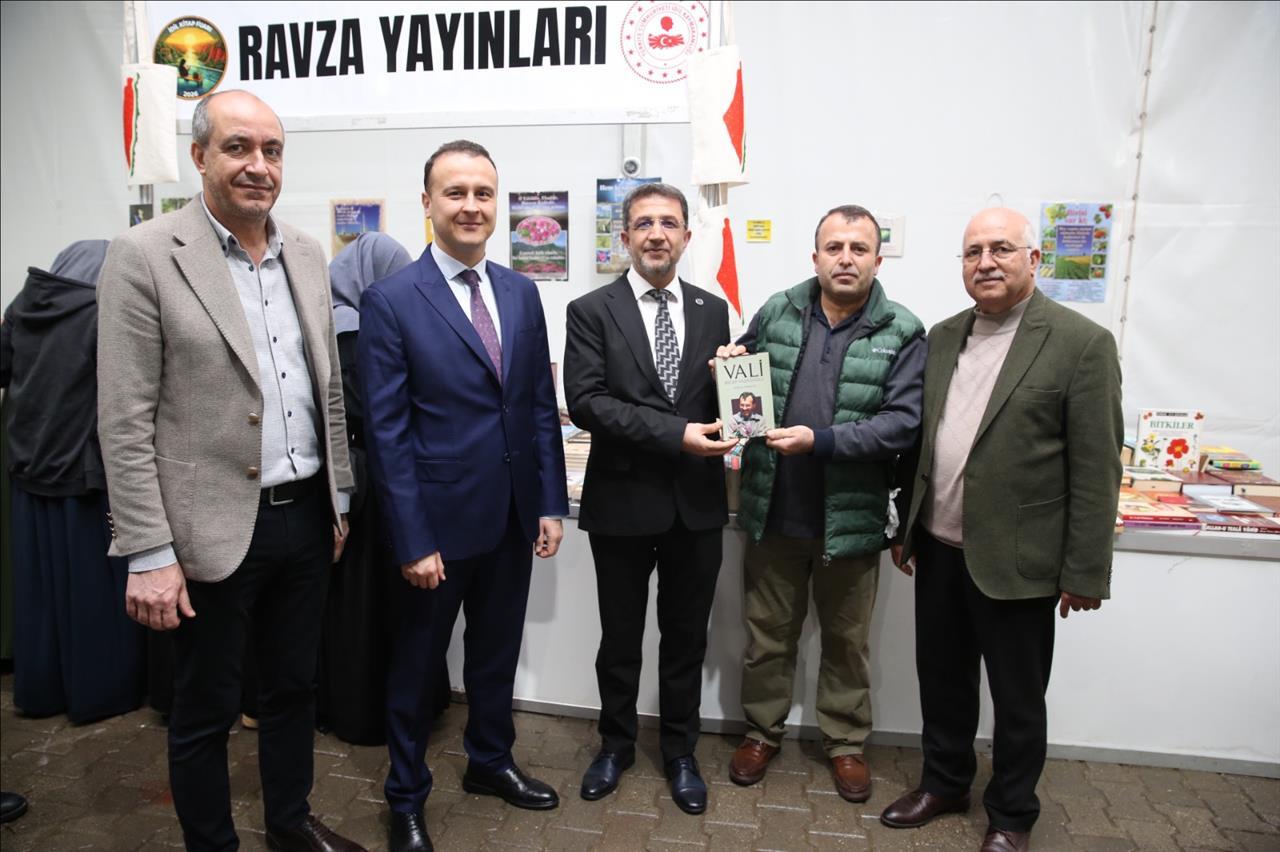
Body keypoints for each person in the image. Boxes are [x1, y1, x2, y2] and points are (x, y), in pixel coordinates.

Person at [96, 90, 362, 852]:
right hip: (205, 529)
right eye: (239, 147)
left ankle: (289, 824)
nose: (258, 166)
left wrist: (339, 500)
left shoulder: (305, 253)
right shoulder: (145, 254)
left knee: (293, 690)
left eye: (272, 151)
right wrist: (148, 552)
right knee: (205, 708)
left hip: (305, 519)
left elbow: (327, 390)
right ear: (199, 156)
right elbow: (123, 418)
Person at [879, 208, 1122, 852]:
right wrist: (906, 528)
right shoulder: (943, 336)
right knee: (943, 680)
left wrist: (1084, 570)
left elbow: (1097, 468)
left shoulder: (1081, 343)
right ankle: (944, 783)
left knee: (1017, 699)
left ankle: (1012, 814)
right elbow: (923, 442)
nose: (985, 262)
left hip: (1020, 558)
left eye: (1001, 249)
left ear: (1034, 260)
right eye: (972, 252)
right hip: (938, 549)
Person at [358, 140, 568, 852]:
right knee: (417, 668)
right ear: (427, 203)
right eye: (456, 192)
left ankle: (489, 761)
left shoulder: (520, 292)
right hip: (437, 529)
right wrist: (412, 539)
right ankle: (405, 796)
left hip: (511, 518)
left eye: (483, 193)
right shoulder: (391, 300)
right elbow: (388, 433)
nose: (471, 206)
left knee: (495, 654)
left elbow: (536, 406)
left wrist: (548, 501)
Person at [717, 205, 925, 802]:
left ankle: (845, 744)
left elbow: (903, 424)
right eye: (835, 247)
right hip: (774, 512)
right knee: (767, 639)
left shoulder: (903, 330)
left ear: (878, 260)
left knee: (846, 645)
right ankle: (761, 733)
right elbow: (742, 385)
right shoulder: (777, 310)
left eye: (859, 249)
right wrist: (730, 364)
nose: (846, 259)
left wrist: (821, 441)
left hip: (851, 521)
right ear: (816, 257)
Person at [563, 183, 735, 815]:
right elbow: (587, 402)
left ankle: (681, 752)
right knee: (620, 639)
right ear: (625, 238)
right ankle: (615, 745)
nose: (656, 233)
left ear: (687, 236)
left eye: (668, 223)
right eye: (643, 224)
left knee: (686, 639)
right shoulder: (590, 310)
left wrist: (733, 379)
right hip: (622, 501)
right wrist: (676, 434)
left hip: (696, 505)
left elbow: (718, 404)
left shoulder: (713, 310)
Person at [1, 240, 146, 724]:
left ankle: (40, 691)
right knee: (91, 596)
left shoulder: (23, 305)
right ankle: (99, 694)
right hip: (83, 473)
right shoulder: (103, 311)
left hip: (27, 470)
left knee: (38, 598)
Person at [316, 231, 440, 747]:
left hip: (357, 478)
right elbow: (372, 410)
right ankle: (384, 712)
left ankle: (357, 708)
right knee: (386, 605)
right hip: (375, 477)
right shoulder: (360, 331)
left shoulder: (328, 324)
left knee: (355, 606)